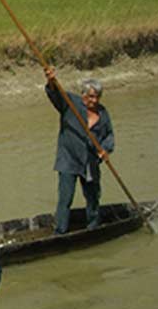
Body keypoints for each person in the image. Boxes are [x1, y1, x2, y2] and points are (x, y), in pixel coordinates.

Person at [45, 68, 114, 233]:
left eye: (97, 96)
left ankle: (93, 226)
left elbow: (109, 136)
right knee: (65, 198)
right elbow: (54, 95)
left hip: (90, 162)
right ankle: (60, 231)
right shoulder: (71, 103)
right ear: (83, 95)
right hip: (68, 160)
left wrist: (105, 151)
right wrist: (51, 81)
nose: (94, 100)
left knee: (93, 197)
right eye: (91, 96)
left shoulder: (103, 113)